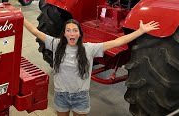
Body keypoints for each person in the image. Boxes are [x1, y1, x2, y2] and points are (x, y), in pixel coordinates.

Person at [23, 18, 159, 116]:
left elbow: (117, 41)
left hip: (80, 97)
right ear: (64, 34)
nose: (71, 33)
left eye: (75, 31)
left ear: (79, 34)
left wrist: (140, 31)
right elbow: (35, 31)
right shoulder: (55, 44)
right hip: (61, 95)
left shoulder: (89, 48)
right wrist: (20, 17)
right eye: (68, 30)